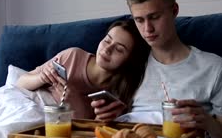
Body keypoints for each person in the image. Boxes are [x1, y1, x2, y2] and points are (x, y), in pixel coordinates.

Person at [92, 0, 222, 138]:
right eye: (139, 20)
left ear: (174, 11)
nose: (147, 29)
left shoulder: (214, 68)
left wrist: (209, 123)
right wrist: (106, 118)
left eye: (154, 17)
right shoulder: (131, 64)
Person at [16, 19, 150, 119]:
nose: (107, 49)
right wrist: (41, 77)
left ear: (129, 61)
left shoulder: (119, 93)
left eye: (119, 49)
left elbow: (93, 133)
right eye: (107, 41)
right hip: (31, 108)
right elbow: (21, 82)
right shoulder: (73, 56)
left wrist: (75, 104)